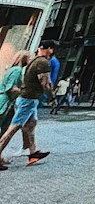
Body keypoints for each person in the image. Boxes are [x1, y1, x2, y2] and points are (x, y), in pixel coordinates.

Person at [0, 39, 57, 170]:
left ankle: (33, 152)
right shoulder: (42, 62)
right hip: (28, 99)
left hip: (29, 99)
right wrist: (52, 97)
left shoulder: (34, 62)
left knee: (31, 125)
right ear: (49, 49)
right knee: (12, 129)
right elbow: (46, 83)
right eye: (52, 49)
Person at [0, 50, 31, 135]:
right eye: (29, 58)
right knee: (4, 127)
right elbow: (10, 88)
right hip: (5, 102)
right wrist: (25, 91)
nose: (30, 60)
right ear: (24, 58)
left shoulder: (12, 69)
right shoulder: (17, 70)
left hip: (4, 100)